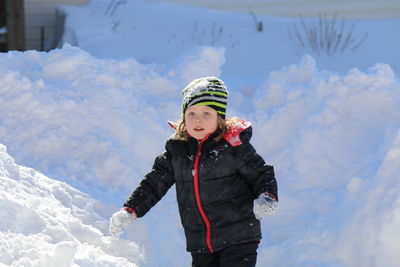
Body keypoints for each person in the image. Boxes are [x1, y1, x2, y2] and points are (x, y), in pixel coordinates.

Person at [109, 77, 278, 267]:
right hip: (200, 243)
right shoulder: (177, 150)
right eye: (191, 113)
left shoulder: (233, 146)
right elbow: (154, 183)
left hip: (239, 237)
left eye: (206, 113)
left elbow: (261, 173)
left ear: (219, 118)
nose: (197, 119)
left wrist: (267, 196)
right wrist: (131, 209)